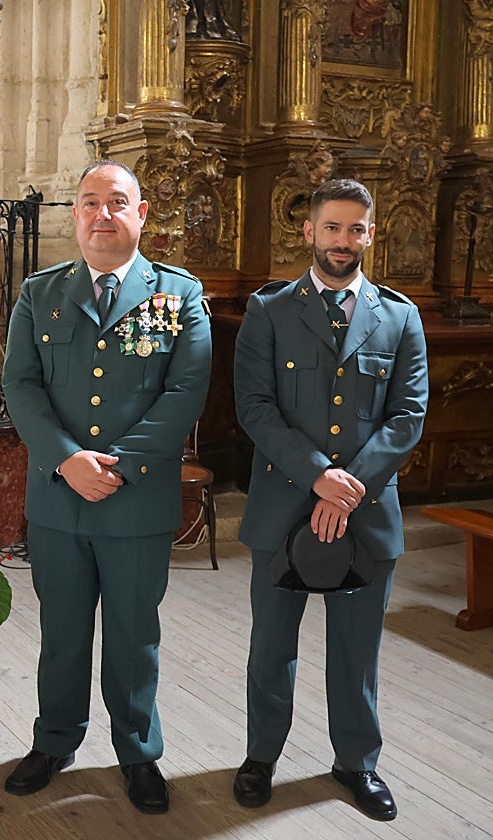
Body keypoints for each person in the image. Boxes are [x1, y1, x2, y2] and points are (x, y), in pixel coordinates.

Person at [1, 160, 212, 812]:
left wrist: (114, 464)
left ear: (140, 214)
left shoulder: (177, 296)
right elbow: (21, 386)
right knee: (62, 633)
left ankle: (139, 752)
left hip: (137, 501)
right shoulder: (41, 294)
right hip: (59, 499)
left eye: (116, 202)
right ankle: (55, 739)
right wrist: (68, 460)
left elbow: (186, 393)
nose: (101, 214)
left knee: (132, 636)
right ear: (76, 214)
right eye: (89, 202)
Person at [231, 178, 427, 822]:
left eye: (357, 229)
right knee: (272, 648)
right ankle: (260, 758)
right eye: (332, 228)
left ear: (372, 235)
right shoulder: (269, 311)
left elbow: (408, 415)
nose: (344, 241)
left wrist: (348, 489)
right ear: (309, 231)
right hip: (284, 504)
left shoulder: (399, 315)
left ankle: (357, 764)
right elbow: (255, 408)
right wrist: (319, 476)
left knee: (355, 649)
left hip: (366, 514)